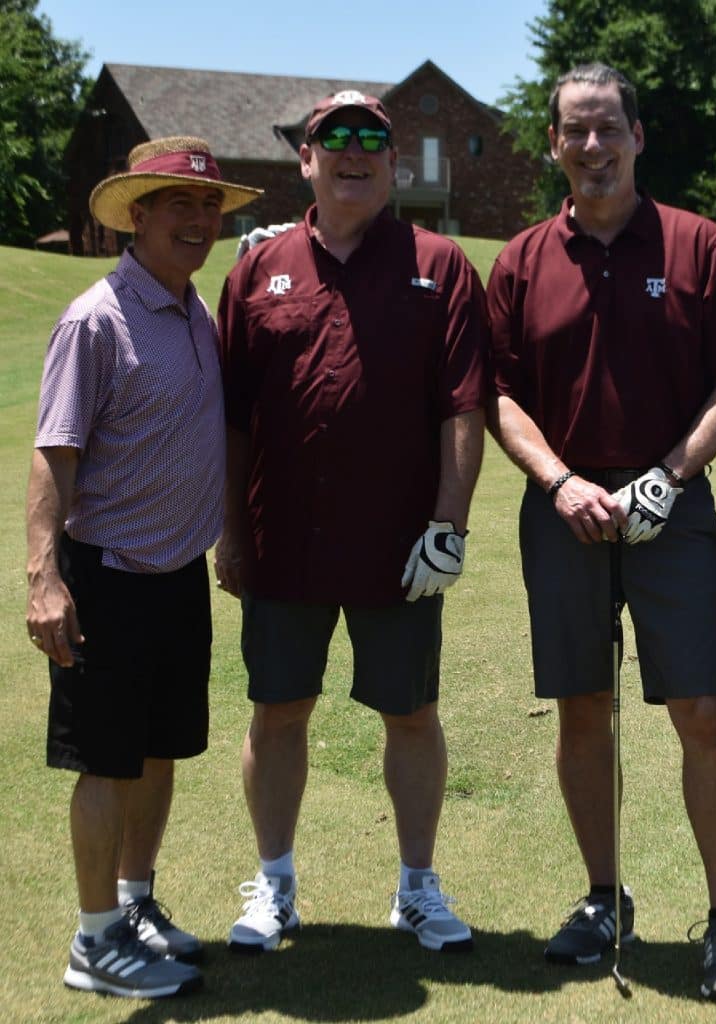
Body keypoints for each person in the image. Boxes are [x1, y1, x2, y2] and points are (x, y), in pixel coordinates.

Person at [487, 63, 716, 1004]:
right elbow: (501, 394)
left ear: (638, 136)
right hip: (562, 510)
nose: (593, 146)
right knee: (581, 710)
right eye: (576, 131)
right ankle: (605, 898)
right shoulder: (522, 258)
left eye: (609, 129)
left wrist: (671, 478)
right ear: (554, 143)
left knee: (700, 713)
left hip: (670, 511)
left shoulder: (697, 245)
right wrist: (560, 482)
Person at [216, 90, 487, 955]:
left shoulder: (438, 264)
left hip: (400, 543)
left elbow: (462, 407)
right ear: (306, 159)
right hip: (284, 536)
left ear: (394, 162)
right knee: (277, 710)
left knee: (411, 713)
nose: (355, 152)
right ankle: (276, 885)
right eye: (335, 139)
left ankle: (416, 888)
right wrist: (230, 530)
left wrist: (449, 525)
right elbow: (232, 417)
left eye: (373, 138)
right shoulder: (257, 271)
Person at [26, 137, 261, 998]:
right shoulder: (99, 317)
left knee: (159, 753)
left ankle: (135, 903)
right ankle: (94, 944)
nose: (199, 220)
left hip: (175, 576)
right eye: (178, 205)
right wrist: (44, 578)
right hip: (107, 574)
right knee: (105, 762)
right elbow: (55, 453)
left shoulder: (194, 310)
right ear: (138, 216)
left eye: (208, 207)